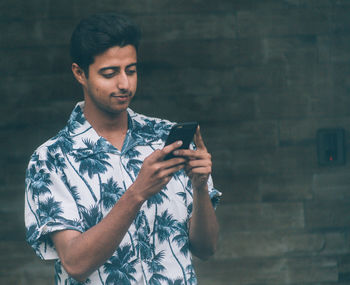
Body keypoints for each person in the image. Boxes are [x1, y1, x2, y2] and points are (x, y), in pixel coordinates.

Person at [24, 13, 221, 285]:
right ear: (79, 73)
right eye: (109, 73)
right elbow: (75, 263)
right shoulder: (50, 160)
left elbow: (206, 249)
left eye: (131, 70)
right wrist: (138, 192)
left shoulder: (166, 137)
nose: (124, 84)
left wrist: (200, 189)